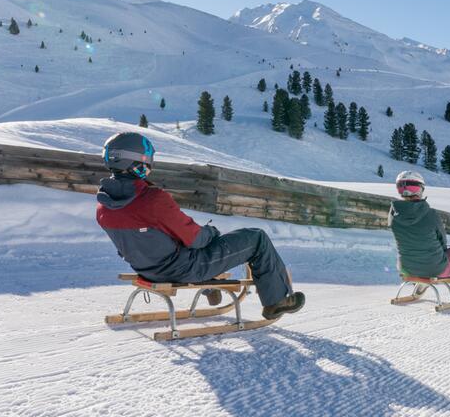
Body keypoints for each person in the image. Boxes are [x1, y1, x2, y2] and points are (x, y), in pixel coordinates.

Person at [95, 132, 306, 320]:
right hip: (183, 270)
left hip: (147, 271)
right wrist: (211, 232)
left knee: (178, 244)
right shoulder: (153, 200)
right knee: (256, 238)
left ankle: (209, 288)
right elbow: (196, 239)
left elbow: (143, 244)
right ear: (138, 162)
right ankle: (276, 301)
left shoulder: (103, 209)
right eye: (148, 160)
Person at [389, 171, 450, 301]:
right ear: (420, 189)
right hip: (435, 269)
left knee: (418, 251)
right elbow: (442, 243)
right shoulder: (430, 214)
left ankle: (421, 283)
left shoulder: (392, 215)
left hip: (406, 267)